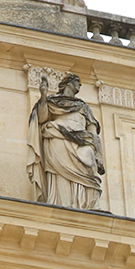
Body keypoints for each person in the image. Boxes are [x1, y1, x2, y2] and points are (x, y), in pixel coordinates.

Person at [26, 74, 104, 209]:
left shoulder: (83, 107)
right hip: (57, 137)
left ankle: (88, 205)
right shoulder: (53, 101)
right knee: (60, 174)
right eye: (77, 81)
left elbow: (92, 130)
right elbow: (42, 118)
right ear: (68, 83)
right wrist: (43, 96)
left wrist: (97, 150)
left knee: (89, 162)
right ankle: (61, 203)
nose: (80, 85)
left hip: (82, 140)